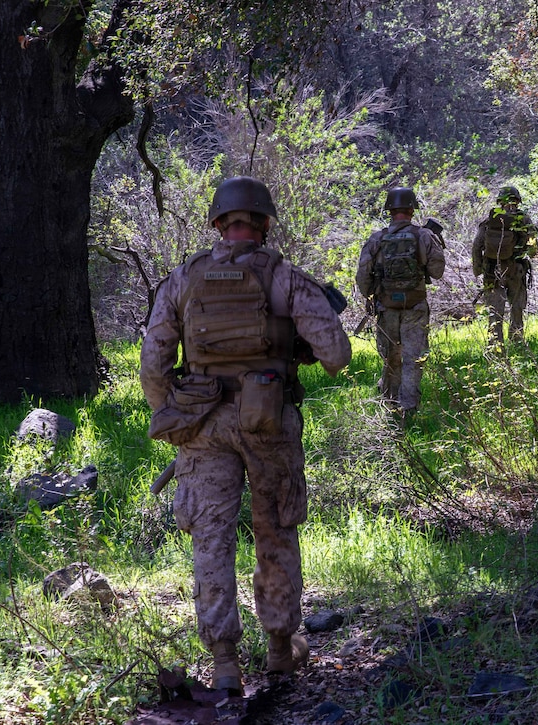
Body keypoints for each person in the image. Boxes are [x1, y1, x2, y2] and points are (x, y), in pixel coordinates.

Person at [140, 176, 351, 694]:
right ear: (264, 223)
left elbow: (153, 361)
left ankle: (225, 663)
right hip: (268, 421)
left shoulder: (183, 280)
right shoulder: (285, 278)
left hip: (201, 424)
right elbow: (337, 355)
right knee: (275, 528)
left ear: (217, 224)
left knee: (211, 537)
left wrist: (173, 413)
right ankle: (281, 648)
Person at [355, 187, 445, 417]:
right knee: (413, 358)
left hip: (386, 307)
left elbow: (363, 274)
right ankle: (409, 409)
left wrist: (370, 297)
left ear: (390, 211)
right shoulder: (424, 236)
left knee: (391, 356)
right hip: (415, 306)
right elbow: (437, 271)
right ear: (412, 209)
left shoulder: (377, 238)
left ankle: (389, 402)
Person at [471, 185, 538, 347]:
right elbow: (533, 250)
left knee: (495, 312)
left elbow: (476, 246)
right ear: (517, 201)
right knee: (516, 309)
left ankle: (495, 346)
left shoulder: (489, 221)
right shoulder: (524, 220)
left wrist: (478, 269)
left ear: (500, 201)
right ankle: (517, 342)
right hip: (516, 271)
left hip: (492, 272)